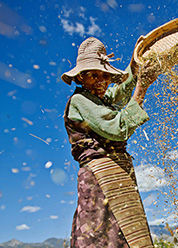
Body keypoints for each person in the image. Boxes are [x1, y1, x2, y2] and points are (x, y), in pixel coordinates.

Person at [61, 37, 157, 248]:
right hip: (100, 179)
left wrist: (134, 64)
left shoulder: (99, 98)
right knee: (104, 237)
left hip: (117, 175)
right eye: (94, 75)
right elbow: (118, 128)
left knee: (128, 235)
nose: (102, 81)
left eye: (106, 76)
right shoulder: (80, 101)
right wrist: (141, 89)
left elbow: (120, 92)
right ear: (80, 77)